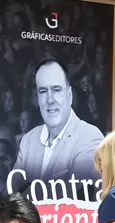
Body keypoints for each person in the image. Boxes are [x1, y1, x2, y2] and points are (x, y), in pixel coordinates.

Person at [11, 59, 103, 189]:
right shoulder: (28, 141)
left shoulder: (90, 137)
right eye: (43, 91)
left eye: (56, 90)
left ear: (69, 95)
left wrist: (25, 194)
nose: (50, 100)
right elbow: (10, 193)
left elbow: (75, 196)